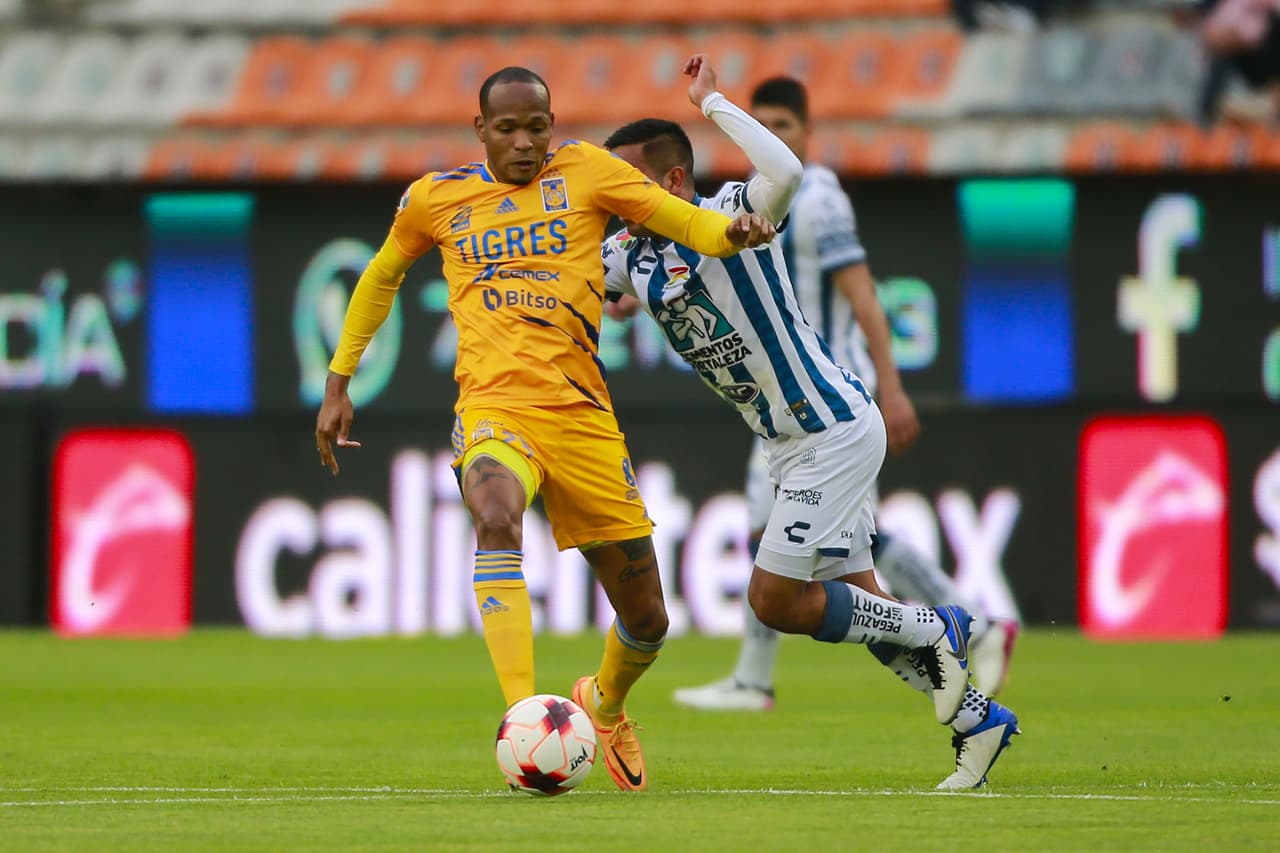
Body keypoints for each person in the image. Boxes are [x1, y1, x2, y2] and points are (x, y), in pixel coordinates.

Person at [314, 65, 776, 793]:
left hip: (583, 419)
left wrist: (733, 230)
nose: (526, 142)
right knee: (494, 516)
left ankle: (607, 703)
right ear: (481, 130)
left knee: (648, 619)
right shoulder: (437, 199)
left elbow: (679, 217)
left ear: (553, 124)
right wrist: (339, 380)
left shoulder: (588, 172)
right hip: (495, 409)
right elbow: (379, 276)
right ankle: (525, 719)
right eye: (509, 128)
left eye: (538, 126)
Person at [601, 54, 1019, 789]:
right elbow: (580, 270)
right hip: (788, 447)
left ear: (671, 181)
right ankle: (976, 724)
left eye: (627, 182)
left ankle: (944, 622)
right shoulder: (627, 254)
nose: (614, 199)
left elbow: (788, 170)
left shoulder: (733, 208)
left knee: (774, 598)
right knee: (861, 600)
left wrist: (714, 103)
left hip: (832, 426)